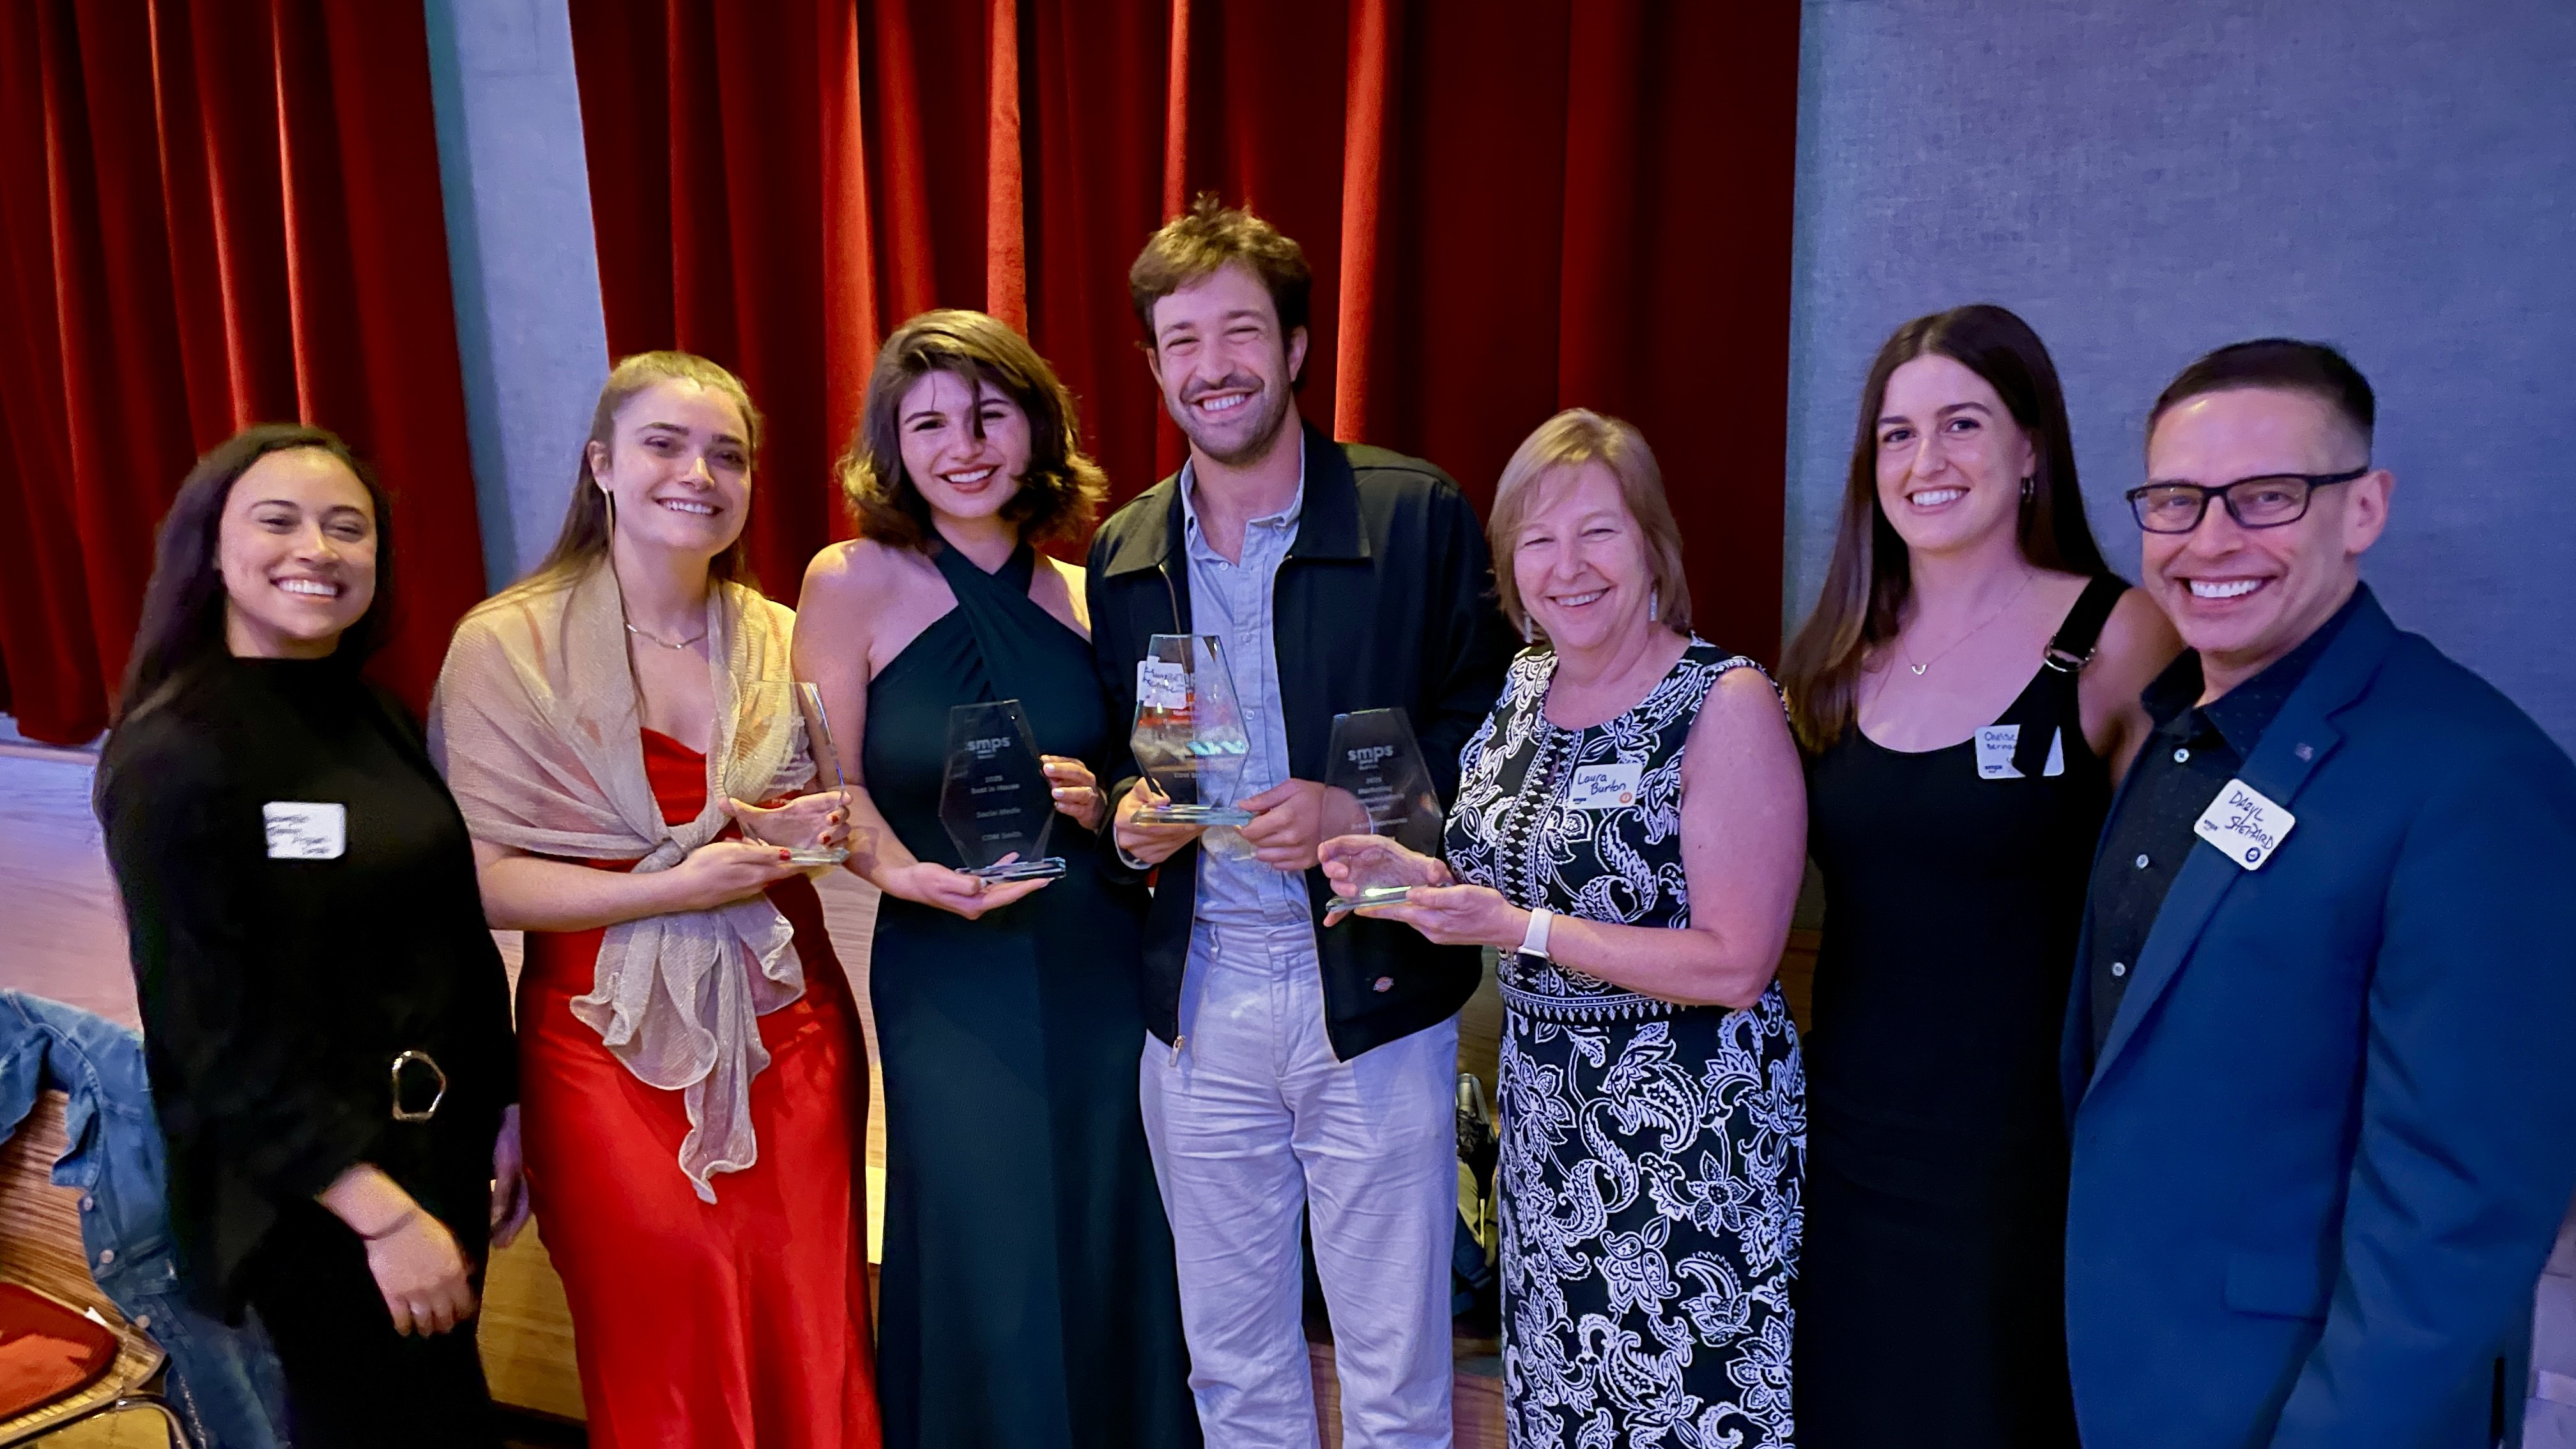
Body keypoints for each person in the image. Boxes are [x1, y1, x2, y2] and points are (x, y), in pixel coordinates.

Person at [2062, 339, 2576, 1448]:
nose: (2211, 539)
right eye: (2176, 501)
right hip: (2128, 1371)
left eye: (2267, 497)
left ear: (2365, 508)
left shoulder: (2475, 777)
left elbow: (2462, 1206)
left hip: (2294, 1401)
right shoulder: (2177, 728)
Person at [1089, 195, 1517, 1448]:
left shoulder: (1412, 515)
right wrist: (1129, 828)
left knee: (1393, 1376)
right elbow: (1139, 761)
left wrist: (1362, 803)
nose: (1211, 367)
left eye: (1238, 333)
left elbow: (1491, 719)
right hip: (1201, 1003)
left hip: (1371, 993)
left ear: (1294, 348)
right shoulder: (1123, 554)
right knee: (1232, 1368)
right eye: (1181, 341)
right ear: (1154, 364)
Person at [1324, 410, 1811, 1449]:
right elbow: (1514, 874)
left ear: (1653, 547)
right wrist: (1411, 878)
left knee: (1687, 1414)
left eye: (1598, 532)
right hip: (1549, 1128)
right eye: (1537, 541)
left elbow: (1735, 963)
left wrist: (1522, 928)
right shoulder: (1525, 684)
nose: (1567, 566)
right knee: (1565, 1412)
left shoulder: (1723, 702)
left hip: (1692, 1141)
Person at [430, 353, 881, 1448]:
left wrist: (803, 833)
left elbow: (841, 808)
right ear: (604, 467)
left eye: (728, 455)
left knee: (812, 1316)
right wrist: (678, 885)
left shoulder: (782, 634)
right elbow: (479, 881)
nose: (700, 474)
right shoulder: (508, 645)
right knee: (661, 1329)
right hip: (598, 1042)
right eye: (666, 446)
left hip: (794, 1026)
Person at [793, 309, 1198, 1448]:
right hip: (944, 965)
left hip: (1099, 962)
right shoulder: (850, 579)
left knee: (1113, 1224)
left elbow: (1166, 782)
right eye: (927, 423)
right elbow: (839, 795)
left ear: (1037, 429)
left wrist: (1111, 804)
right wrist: (909, 878)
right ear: (893, 444)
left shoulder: (1095, 587)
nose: (961, 445)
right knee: (984, 1234)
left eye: (989, 415)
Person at [1776, 304, 2179, 1446]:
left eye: (1962, 423)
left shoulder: (2118, 634)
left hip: (2026, 1159)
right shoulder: (1837, 654)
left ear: (2031, 446)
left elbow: (2173, 919)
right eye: (1897, 436)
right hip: (1848, 1141)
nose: (1927, 461)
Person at [95, 424, 519, 1446]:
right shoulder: (172, 755)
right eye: (278, 522)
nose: (318, 551)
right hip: (313, 1190)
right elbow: (208, 1033)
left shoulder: (370, 715)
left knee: (442, 1422)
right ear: (212, 550)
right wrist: (377, 1212)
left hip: (438, 1151)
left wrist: (504, 1103)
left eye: (348, 528)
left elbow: (449, 932)